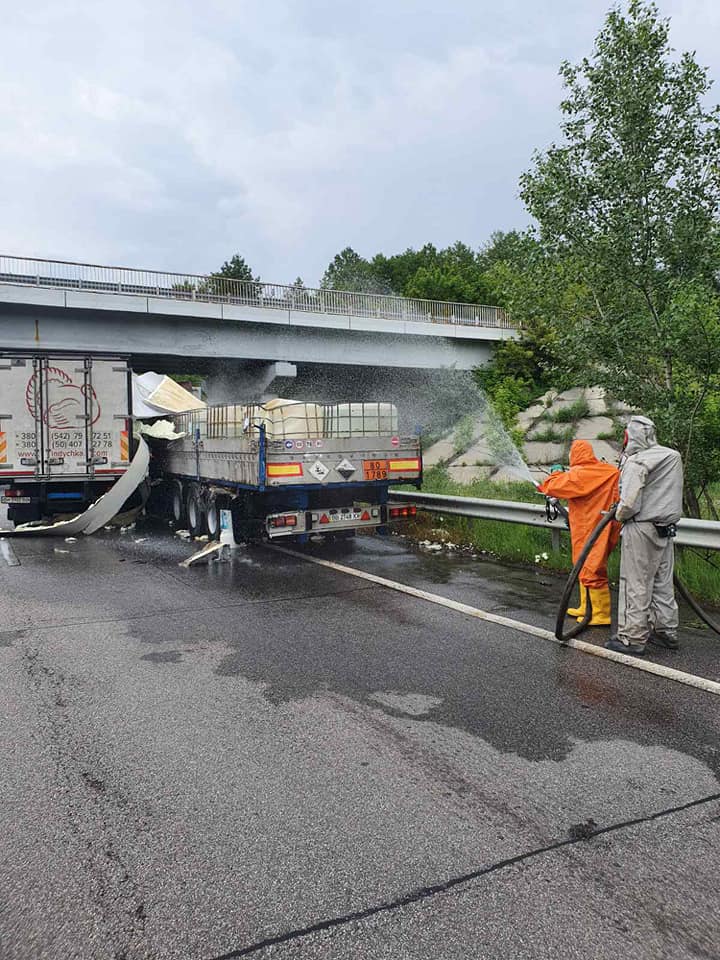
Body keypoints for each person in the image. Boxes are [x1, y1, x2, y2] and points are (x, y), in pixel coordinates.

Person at [605, 416, 683, 656]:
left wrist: (617, 514)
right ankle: (666, 631)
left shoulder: (637, 461)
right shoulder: (671, 456)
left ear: (632, 436)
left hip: (641, 528)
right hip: (665, 528)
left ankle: (632, 638)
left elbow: (628, 503)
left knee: (636, 582)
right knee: (662, 582)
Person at [538, 440, 620, 626]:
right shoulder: (607, 471)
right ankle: (586, 606)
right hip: (600, 524)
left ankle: (600, 614)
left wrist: (556, 472)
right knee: (584, 566)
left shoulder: (580, 475)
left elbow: (552, 486)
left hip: (590, 527)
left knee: (591, 567)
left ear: (575, 455)